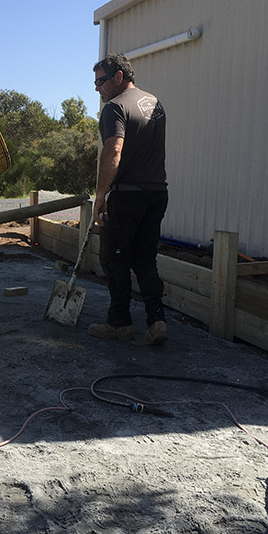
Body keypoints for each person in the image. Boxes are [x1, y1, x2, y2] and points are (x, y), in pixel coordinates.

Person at [89, 53, 169, 345]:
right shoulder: (154, 104)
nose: (97, 88)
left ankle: (119, 323)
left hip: (128, 197)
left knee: (115, 259)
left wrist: (100, 195)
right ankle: (157, 321)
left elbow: (114, 151)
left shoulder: (115, 108)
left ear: (118, 77)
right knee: (146, 259)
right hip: (157, 193)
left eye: (101, 81)